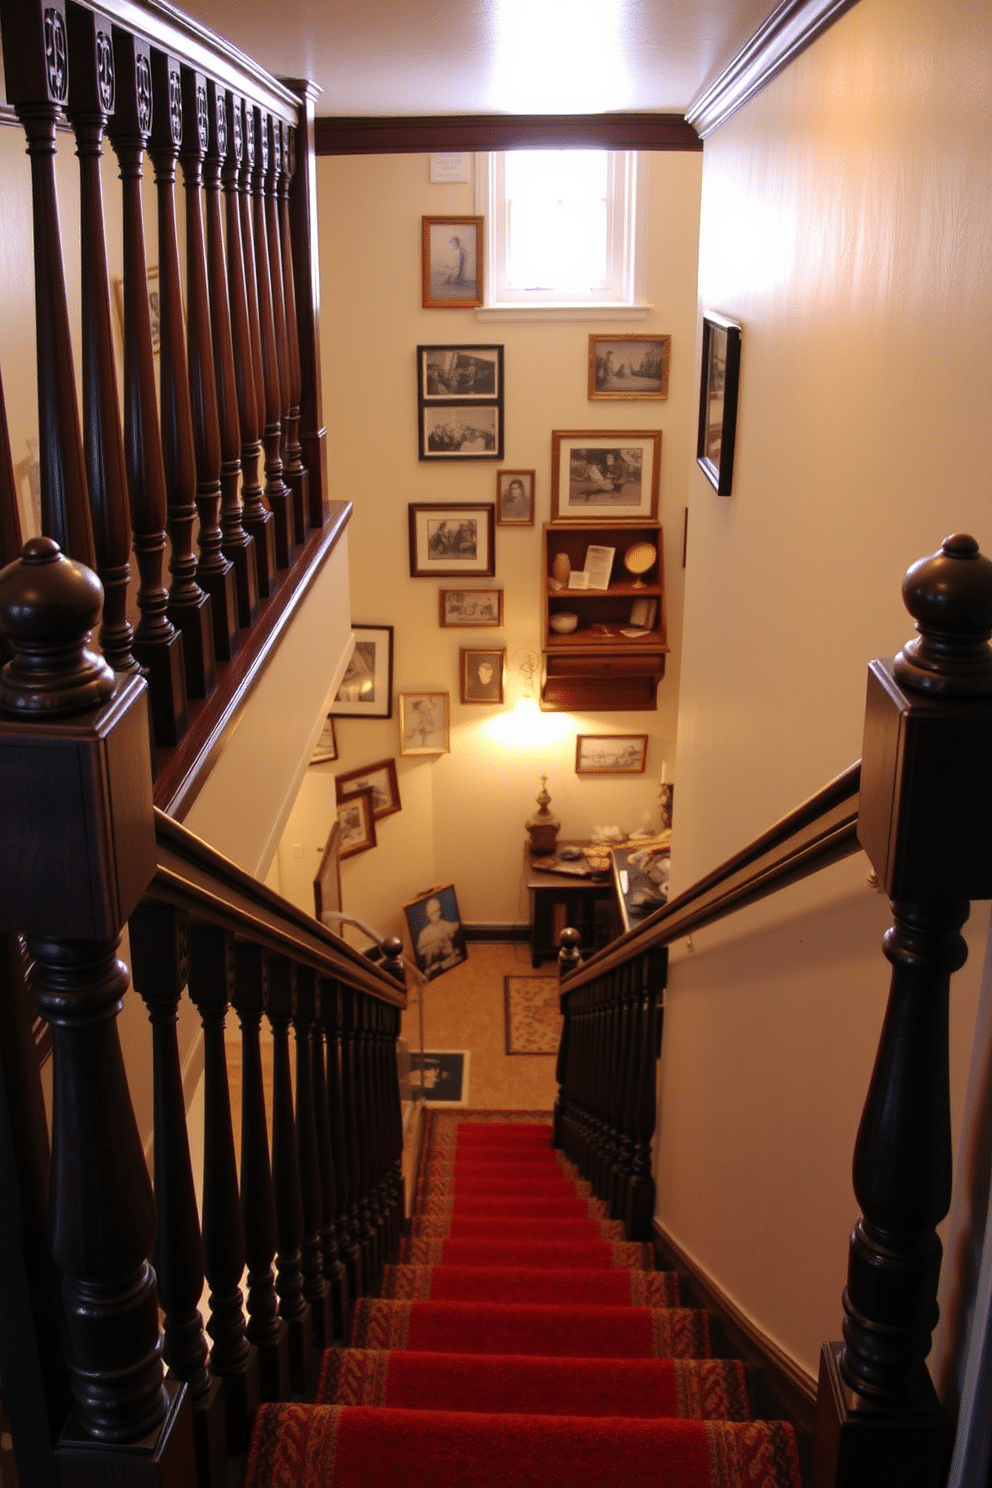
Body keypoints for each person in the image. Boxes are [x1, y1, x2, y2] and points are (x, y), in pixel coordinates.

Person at [416, 896, 462, 977]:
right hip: (433, 961)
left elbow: (455, 927)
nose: (434, 916)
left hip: (447, 958)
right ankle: (435, 967)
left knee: (456, 954)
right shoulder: (424, 933)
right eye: (431, 914)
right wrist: (433, 946)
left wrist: (450, 936)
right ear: (427, 914)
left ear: (439, 912)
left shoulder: (445, 924)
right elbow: (421, 951)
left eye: (436, 912)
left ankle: (440, 965)